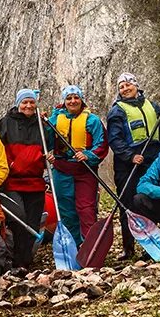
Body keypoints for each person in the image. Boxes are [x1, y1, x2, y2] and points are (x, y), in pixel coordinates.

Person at [106, 72, 160, 260]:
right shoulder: (116, 111)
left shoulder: (152, 106)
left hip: (151, 158)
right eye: (121, 87)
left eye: (129, 84)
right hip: (127, 164)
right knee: (126, 204)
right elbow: (114, 139)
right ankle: (128, 248)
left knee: (148, 200)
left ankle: (150, 245)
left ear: (136, 86)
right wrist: (130, 156)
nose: (126, 88)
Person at [0, 88, 50, 269]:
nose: (28, 105)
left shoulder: (42, 125)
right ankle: (17, 260)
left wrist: (51, 156)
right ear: (18, 104)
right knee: (19, 220)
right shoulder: (4, 123)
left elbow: (52, 147)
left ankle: (26, 261)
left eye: (31, 102)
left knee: (33, 222)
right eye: (24, 102)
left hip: (35, 181)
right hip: (12, 182)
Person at [48, 85, 107, 245]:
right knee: (66, 211)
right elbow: (45, 141)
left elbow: (101, 144)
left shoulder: (92, 120)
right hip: (62, 169)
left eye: (76, 98)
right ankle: (72, 246)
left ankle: (89, 245)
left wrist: (88, 155)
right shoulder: (54, 120)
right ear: (64, 101)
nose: (73, 101)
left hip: (85, 170)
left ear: (81, 100)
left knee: (86, 209)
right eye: (69, 98)